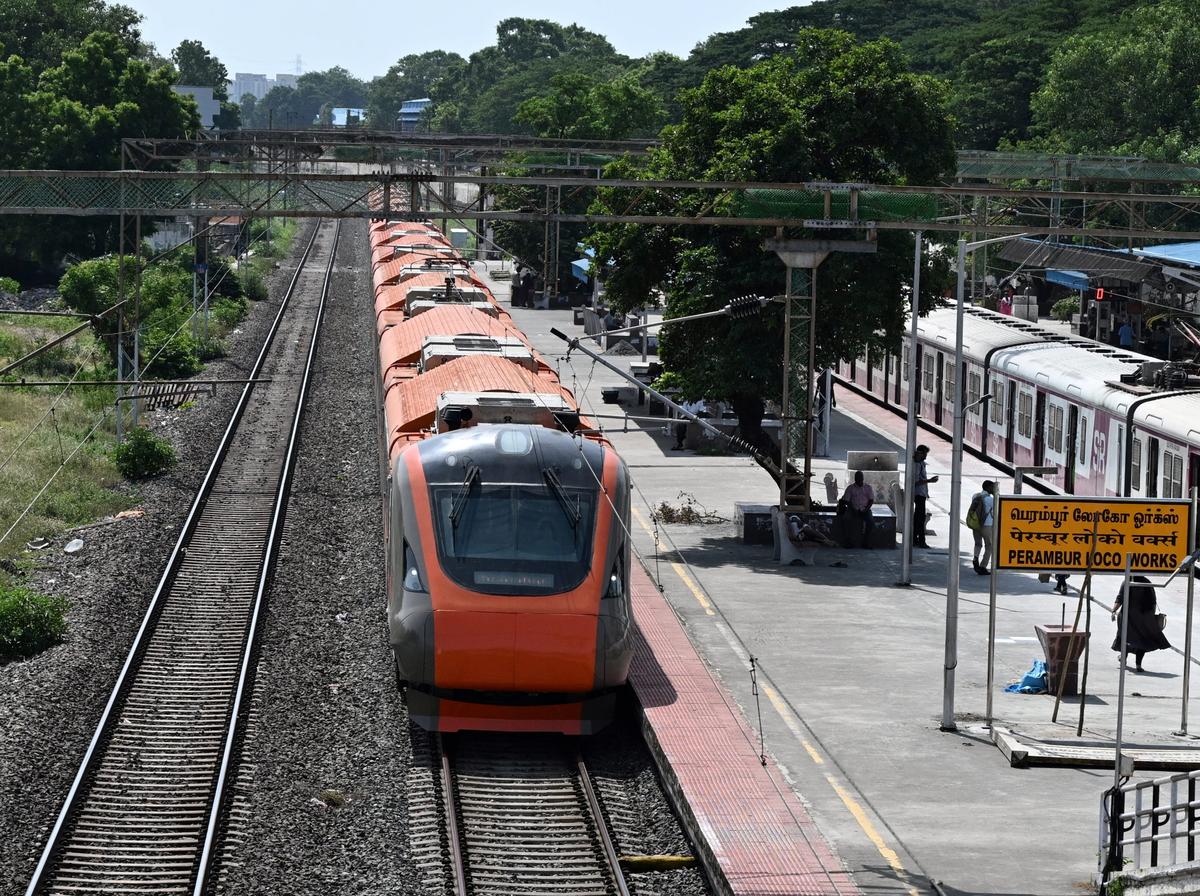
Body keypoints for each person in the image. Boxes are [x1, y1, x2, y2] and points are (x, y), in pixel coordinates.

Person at [1110, 575, 1170, 672]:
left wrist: (1113, 610)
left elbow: (1120, 598)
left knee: (1125, 639)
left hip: (1127, 617)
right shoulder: (1147, 582)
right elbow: (1153, 601)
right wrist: (1149, 617)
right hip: (1143, 617)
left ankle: (1123, 659)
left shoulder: (1127, 581)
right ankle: (1138, 665)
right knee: (1142, 641)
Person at [840, 470, 875, 548]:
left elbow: (871, 500)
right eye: (857, 478)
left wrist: (866, 510)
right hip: (852, 509)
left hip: (865, 509)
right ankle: (848, 541)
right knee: (846, 519)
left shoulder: (868, 488)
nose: (859, 480)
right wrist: (853, 509)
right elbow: (846, 501)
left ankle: (866, 542)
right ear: (855, 479)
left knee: (871, 522)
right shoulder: (850, 488)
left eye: (860, 478)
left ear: (863, 478)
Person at [912, 444, 938, 548]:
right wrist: (930, 481)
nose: (926, 456)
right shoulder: (917, 465)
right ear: (920, 453)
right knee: (920, 519)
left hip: (922, 494)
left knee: (919, 518)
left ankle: (916, 539)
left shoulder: (922, 464)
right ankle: (921, 541)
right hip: (918, 494)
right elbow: (916, 481)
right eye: (925, 453)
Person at [968, 480, 995, 574]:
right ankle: (983, 566)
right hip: (987, 525)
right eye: (992, 487)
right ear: (988, 488)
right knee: (989, 546)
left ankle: (975, 558)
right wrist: (996, 496)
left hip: (976, 524)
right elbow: (997, 511)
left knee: (978, 543)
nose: (994, 489)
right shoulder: (991, 499)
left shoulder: (975, 496)